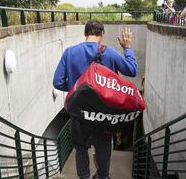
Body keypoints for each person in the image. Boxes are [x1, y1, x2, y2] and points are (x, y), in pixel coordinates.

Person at [53, 20, 137, 179]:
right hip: (102, 114)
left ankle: (84, 177)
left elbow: (57, 82)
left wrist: (75, 88)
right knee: (103, 147)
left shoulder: (70, 52)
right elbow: (132, 70)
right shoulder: (109, 52)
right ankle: (103, 176)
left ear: (85, 33)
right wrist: (127, 48)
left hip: (79, 113)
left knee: (80, 148)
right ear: (102, 34)